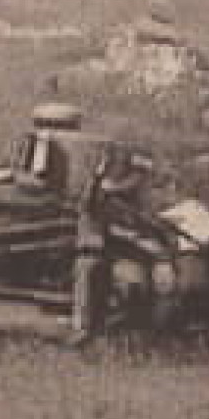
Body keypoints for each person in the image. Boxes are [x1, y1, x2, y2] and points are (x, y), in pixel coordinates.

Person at [68, 146, 142, 347]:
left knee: (99, 299)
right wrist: (98, 174)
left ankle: (93, 334)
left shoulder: (112, 209)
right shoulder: (91, 205)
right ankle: (82, 333)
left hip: (104, 257)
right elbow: (88, 199)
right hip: (89, 255)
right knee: (86, 299)